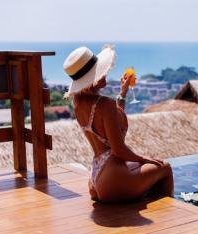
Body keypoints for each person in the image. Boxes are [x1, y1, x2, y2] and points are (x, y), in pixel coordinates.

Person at [63, 45, 174, 202]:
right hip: (114, 178)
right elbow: (118, 150)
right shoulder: (105, 103)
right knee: (165, 168)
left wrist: (123, 93)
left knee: (147, 171)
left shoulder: (78, 102)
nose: (104, 73)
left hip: (97, 177)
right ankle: (174, 215)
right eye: (99, 72)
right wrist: (143, 159)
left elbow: (110, 122)